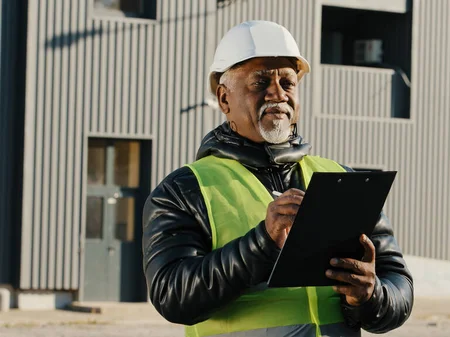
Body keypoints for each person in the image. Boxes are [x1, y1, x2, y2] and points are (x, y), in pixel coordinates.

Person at [142, 20, 414, 337]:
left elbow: (397, 283)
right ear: (224, 99)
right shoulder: (183, 190)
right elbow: (171, 296)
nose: (278, 94)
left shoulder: (341, 179)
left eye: (287, 82)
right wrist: (262, 244)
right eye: (260, 83)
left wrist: (370, 295)